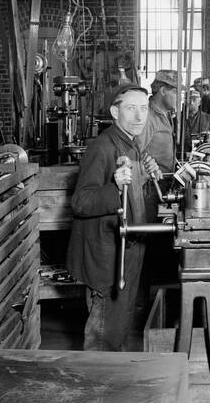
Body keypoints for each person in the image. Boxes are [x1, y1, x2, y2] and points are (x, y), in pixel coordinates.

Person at [68, 83, 165, 351]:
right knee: (103, 336)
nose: (139, 116)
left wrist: (145, 174)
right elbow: (81, 202)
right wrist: (114, 186)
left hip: (127, 252)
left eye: (144, 109)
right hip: (107, 258)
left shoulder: (131, 144)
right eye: (131, 109)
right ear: (114, 111)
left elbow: (132, 194)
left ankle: (114, 384)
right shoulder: (102, 147)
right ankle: (100, 387)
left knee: (117, 328)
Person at [143, 69, 179, 175]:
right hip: (152, 184)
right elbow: (135, 152)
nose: (179, 98)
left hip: (166, 179)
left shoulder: (167, 114)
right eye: (175, 92)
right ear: (163, 91)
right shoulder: (148, 117)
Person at [183, 86, 210, 155]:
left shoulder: (208, 119)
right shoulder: (177, 120)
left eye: (194, 100)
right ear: (184, 102)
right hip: (181, 155)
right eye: (188, 100)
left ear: (199, 102)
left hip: (202, 156)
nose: (191, 103)